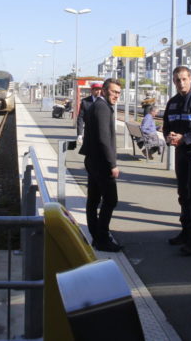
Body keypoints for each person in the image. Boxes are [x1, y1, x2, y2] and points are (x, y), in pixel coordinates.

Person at [162, 66, 191, 256]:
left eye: (184, 79)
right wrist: (168, 136)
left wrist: (184, 138)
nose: (181, 83)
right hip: (181, 152)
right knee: (182, 193)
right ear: (173, 82)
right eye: (177, 80)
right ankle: (185, 231)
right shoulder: (172, 102)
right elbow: (166, 125)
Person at [79, 78, 123, 252]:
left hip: (93, 161)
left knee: (94, 200)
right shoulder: (103, 108)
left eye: (118, 93)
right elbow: (104, 139)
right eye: (113, 92)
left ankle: (96, 236)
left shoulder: (96, 106)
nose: (116, 96)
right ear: (104, 90)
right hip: (102, 163)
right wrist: (112, 164)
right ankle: (102, 237)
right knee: (111, 200)